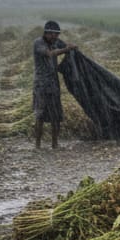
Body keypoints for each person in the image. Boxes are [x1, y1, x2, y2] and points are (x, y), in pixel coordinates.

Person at [32, 20, 77, 150]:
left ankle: (55, 144)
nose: (55, 37)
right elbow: (50, 54)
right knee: (40, 115)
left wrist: (71, 47)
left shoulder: (55, 41)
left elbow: (65, 46)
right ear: (46, 33)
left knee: (56, 116)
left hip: (54, 84)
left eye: (57, 34)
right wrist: (65, 49)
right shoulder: (38, 43)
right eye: (53, 34)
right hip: (41, 85)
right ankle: (38, 144)